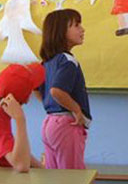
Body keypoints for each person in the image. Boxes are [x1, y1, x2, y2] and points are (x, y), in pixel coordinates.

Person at [36, 9, 91, 169]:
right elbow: (57, 91)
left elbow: (37, 90)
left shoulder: (47, 62)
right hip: (67, 124)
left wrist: (51, 105)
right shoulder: (68, 61)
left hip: (50, 123)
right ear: (61, 32)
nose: (82, 29)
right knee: (72, 176)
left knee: (55, 175)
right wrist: (77, 110)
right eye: (76, 25)